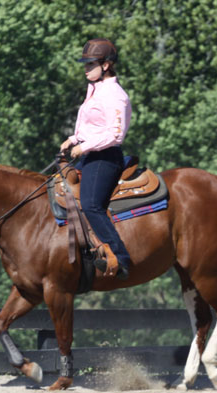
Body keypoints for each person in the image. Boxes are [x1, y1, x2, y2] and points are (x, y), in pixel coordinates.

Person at [59, 38, 132, 280]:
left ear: (107, 65)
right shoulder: (96, 90)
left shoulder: (116, 95)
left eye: (90, 64)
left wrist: (84, 146)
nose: (86, 68)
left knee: (91, 204)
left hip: (105, 158)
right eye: (85, 64)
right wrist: (73, 139)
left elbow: (115, 133)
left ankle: (120, 259)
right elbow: (94, 126)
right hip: (89, 153)